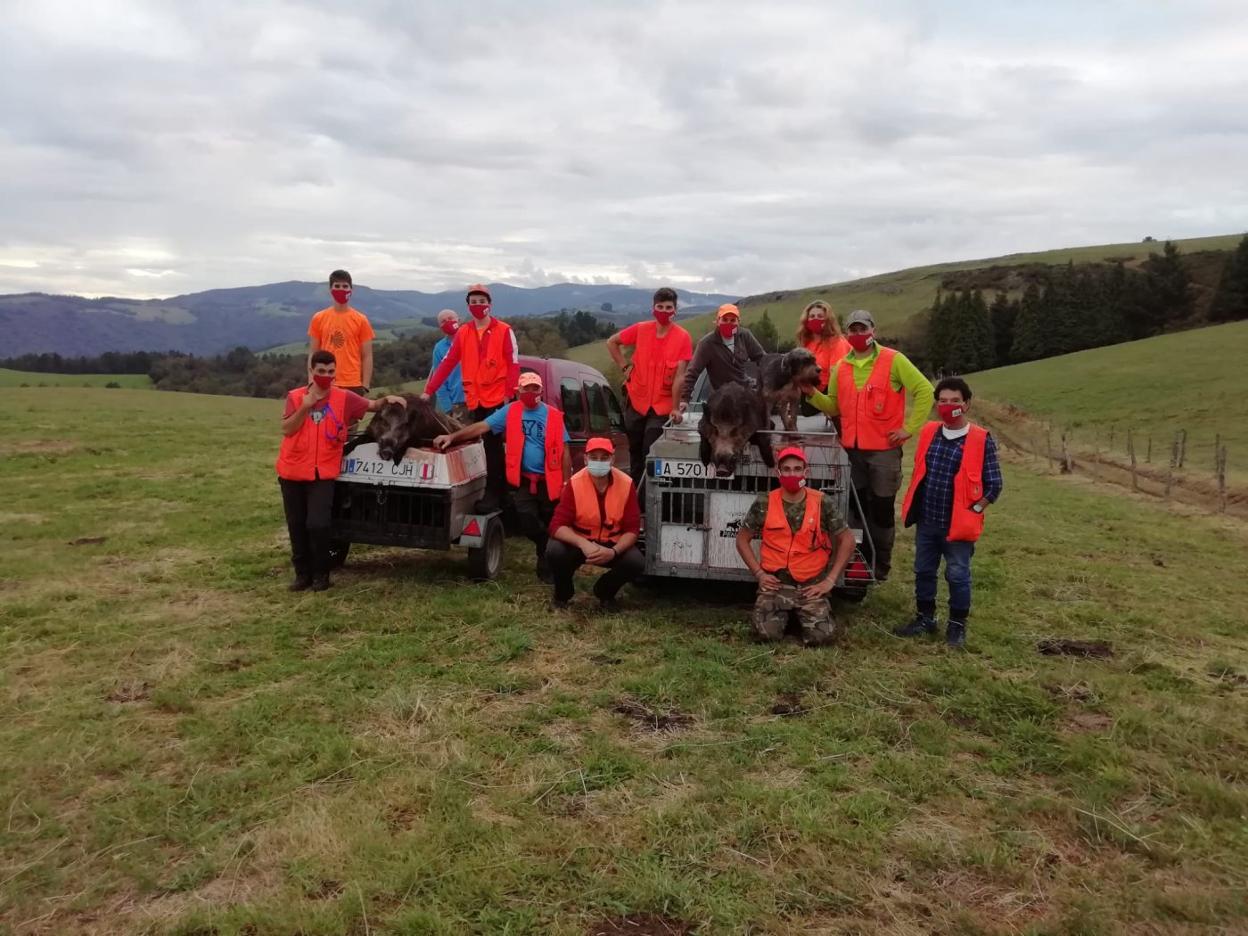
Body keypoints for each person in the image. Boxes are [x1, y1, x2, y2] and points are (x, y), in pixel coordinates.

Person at [806, 309, 934, 582]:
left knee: (882, 511)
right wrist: (811, 394)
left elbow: (925, 391)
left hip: (883, 453)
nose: (857, 334)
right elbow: (834, 406)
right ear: (847, 333)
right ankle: (858, 561)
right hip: (852, 453)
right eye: (852, 330)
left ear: (873, 331)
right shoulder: (842, 366)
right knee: (855, 509)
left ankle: (881, 566)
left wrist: (908, 429)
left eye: (862, 329)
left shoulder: (893, 360)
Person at [276, 350, 407, 592]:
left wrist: (389, 399)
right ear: (312, 371)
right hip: (292, 471)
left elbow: (372, 405)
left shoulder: (343, 398)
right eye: (321, 371)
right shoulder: (296, 397)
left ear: (335, 372)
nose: (326, 376)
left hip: (323, 474)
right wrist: (305, 407)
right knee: (296, 524)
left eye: (330, 371)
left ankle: (321, 574)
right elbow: (287, 429)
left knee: (318, 524)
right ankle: (301, 574)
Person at [895, 377, 1003, 648]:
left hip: (958, 526)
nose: (948, 406)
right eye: (942, 401)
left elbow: (994, 485)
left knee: (957, 574)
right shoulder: (930, 432)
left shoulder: (980, 439)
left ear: (966, 404)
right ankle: (925, 619)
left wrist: (975, 509)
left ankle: (957, 626)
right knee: (923, 571)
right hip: (928, 520)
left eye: (954, 401)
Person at [433, 371, 571, 581]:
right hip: (525, 481)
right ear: (518, 391)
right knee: (526, 520)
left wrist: (566, 481)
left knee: (551, 523)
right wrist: (452, 437)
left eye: (535, 388)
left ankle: (548, 569)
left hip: (549, 482)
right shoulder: (511, 411)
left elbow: (565, 451)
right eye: (526, 388)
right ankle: (543, 542)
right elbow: (482, 427)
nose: (531, 392)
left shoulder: (553, 415)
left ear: (541, 391)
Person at [735, 446, 856, 645]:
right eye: (787, 469)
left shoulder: (822, 502)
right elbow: (742, 539)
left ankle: (805, 615)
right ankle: (785, 617)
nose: (793, 474)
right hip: (776, 584)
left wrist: (830, 580)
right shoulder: (765, 502)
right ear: (778, 473)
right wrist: (759, 574)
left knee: (822, 638)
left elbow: (848, 540)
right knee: (766, 636)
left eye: (797, 469)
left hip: (811, 586)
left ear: (805, 472)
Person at [421, 284, 520, 511]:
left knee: (493, 448)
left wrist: (509, 394)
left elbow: (513, 364)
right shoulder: (464, 332)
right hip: (474, 399)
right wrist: (429, 390)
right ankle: (500, 495)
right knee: (485, 447)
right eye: (473, 302)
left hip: (497, 399)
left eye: (481, 301)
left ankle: (494, 495)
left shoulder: (505, 330)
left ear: (489, 304)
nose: (478, 306)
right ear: (468, 305)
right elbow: (446, 364)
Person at [606, 287, 693, 484]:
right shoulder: (641, 329)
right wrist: (624, 366)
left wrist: (675, 408)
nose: (664, 311)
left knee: (650, 449)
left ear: (675, 309)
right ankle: (636, 502)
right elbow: (611, 342)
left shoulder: (682, 337)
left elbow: (680, 376)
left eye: (668, 307)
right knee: (634, 450)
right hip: (636, 400)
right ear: (653, 308)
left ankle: (650, 498)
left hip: (662, 406)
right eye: (660, 306)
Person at [546, 437, 644, 610]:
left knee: (636, 562)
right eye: (594, 457)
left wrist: (613, 552)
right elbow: (557, 526)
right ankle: (563, 595)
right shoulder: (574, 483)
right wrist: (583, 544)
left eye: (604, 458)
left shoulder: (626, 484)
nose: (599, 462)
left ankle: (605, 592)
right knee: (555, 551)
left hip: (612, 544)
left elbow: (632, 529)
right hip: (580, 543)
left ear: (612, 459)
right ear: (585, 459)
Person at [675, 303, 766, 421]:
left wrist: (767, 385)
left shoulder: (745, 336)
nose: (729, 323)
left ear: (738, 322)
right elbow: (692, 372)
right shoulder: (706, 344)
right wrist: (684, 400)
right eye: (725, 319)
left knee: (762, 424)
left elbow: (763, 360)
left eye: (733, 320)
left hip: (745, 391)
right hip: (721, 396)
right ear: (717, 321)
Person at [307, 270, 376, 395]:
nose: (341, 289)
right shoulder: (318, 318)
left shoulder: (361, 320)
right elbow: (313, 353)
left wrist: (365, 385)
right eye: (337, 286)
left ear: (351, 289)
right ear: (330, 289)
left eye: (345, 286)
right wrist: (312, 381)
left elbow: (367, 355)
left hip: (353, 384)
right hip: (325, 381)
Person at [798, 300, 850, 394]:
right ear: (807, 320)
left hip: (829, 394)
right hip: (806, 393)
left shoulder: (837, 342)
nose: (815, 319)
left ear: (827, 320)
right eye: (812, 316)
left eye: (820, 316)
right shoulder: (806, 343)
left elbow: (837, 376)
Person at [428, 308, 467, 421]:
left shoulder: (472, 339)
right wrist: (448, 409)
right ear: (440, 327)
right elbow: (439, 380)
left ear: (458, 320)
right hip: (458, 404)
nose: (448, 322)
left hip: (481, 399)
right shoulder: (439, 348)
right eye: (443, 321)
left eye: (450, 319)